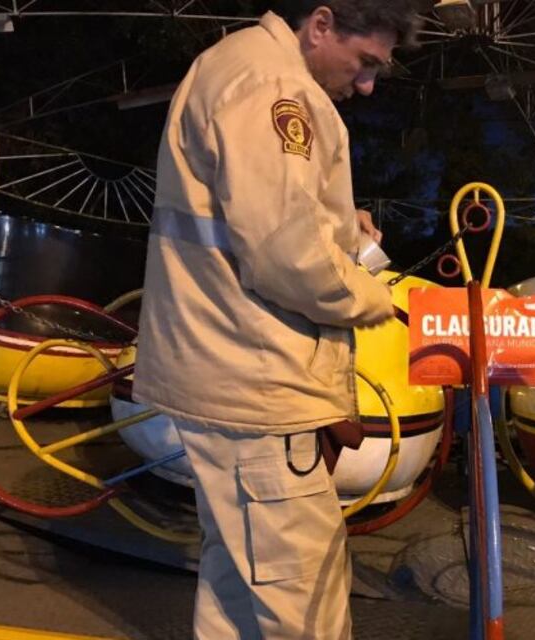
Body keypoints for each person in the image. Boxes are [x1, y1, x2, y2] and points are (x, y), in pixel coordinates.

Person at [132, 2, 419, 638]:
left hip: (225, 369)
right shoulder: (275, 86)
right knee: (302, 605)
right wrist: (376, 298)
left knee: (241, 593)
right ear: (321, 25)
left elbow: (257, 216)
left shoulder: (236, 65)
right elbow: (286, 252)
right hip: (257, 385)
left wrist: (342, 229)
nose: (367, 84)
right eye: (366, 61)